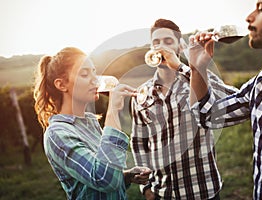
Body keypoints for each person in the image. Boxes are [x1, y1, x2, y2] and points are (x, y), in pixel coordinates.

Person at [187, 0, 262, 199]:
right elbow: (208, 116)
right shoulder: (259, 85)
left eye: (261, 8)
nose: (249, 17)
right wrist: (198, 69)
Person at [130, 19, 238, 199]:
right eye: (156, 42)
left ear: (181, 47)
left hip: (202, 191)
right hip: (161, 193)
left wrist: (185, 68)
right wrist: (147, 188)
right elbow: (139, 142)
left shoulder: (198, 79)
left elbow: (234, 98)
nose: (161, 47)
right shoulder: (142, 93)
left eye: (168, 41)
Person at [33, 47, 151, 199]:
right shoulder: (57, 134)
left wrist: (126, 176)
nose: (95, 80)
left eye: (94, 72)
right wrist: (113, 110)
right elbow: (104, 179)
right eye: (84, 74)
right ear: (62, 85)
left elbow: (102, 170)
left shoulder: (90, 123)